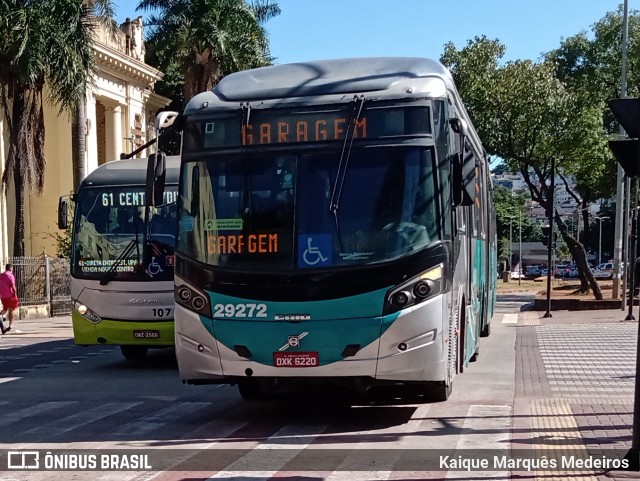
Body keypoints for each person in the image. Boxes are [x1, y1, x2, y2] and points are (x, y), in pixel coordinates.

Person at [0, 263, 19, 334]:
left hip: (3, 296)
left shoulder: (1, 276)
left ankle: (0, 316)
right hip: (10, 295)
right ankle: (10, 325)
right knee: (12, 309)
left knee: (5, 309)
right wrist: (15, 295)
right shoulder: (10, 276)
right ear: (10, 268)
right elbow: (13, 287)